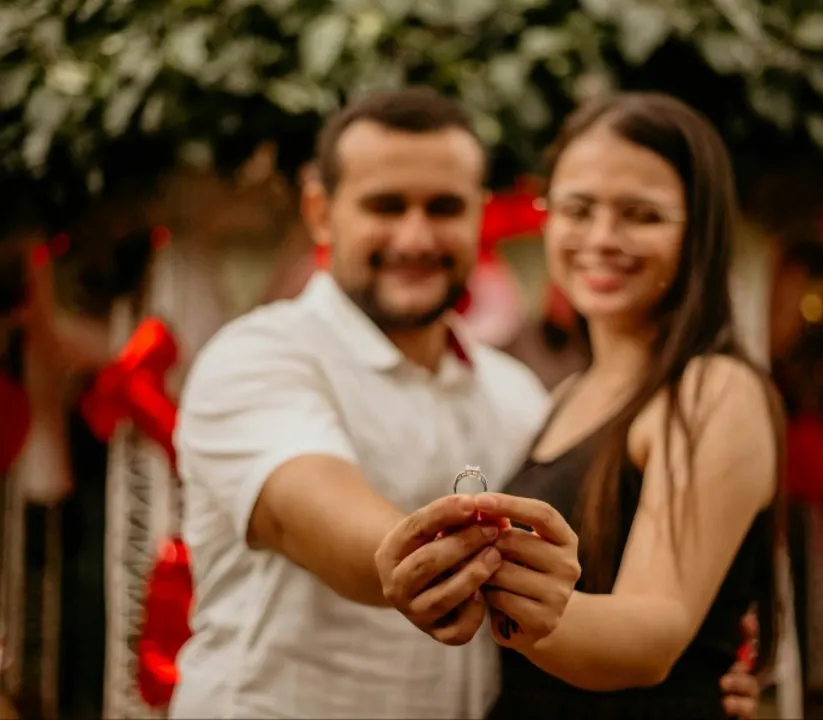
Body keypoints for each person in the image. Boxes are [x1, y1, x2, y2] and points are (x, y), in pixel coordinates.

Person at [170, 87, 761, 719]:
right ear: (320, 211)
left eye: (444, 207)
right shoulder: (259, 358)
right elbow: (311, 518)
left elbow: (613, 595)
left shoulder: (516, 395)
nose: (415, 236)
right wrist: (420, 563)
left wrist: (694, 665)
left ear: (480, 215)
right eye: (385, 206)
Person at [377, 92, 782, 719]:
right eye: (577, 209)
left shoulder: (711, 389)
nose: (601, 238)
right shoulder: (568, 393)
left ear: (699, 229)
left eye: (641, 215)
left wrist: (499, 587)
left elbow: (654, 634)